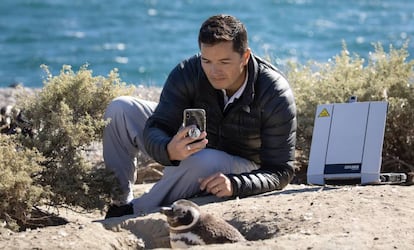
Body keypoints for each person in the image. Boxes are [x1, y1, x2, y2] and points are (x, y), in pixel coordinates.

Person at [103, 14, 297, 218]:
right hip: (197, 149)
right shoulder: (188, 72)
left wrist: (236, 184)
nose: (214, 71)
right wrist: (168, 150)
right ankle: (120, 200)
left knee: (201, 159)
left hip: (244, 165)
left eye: (224, 62)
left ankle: (133, 211)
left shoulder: (274, 92)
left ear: (245, 57)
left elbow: (280, 171)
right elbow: (158, 125)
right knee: (121, 109)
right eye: (207, 60)